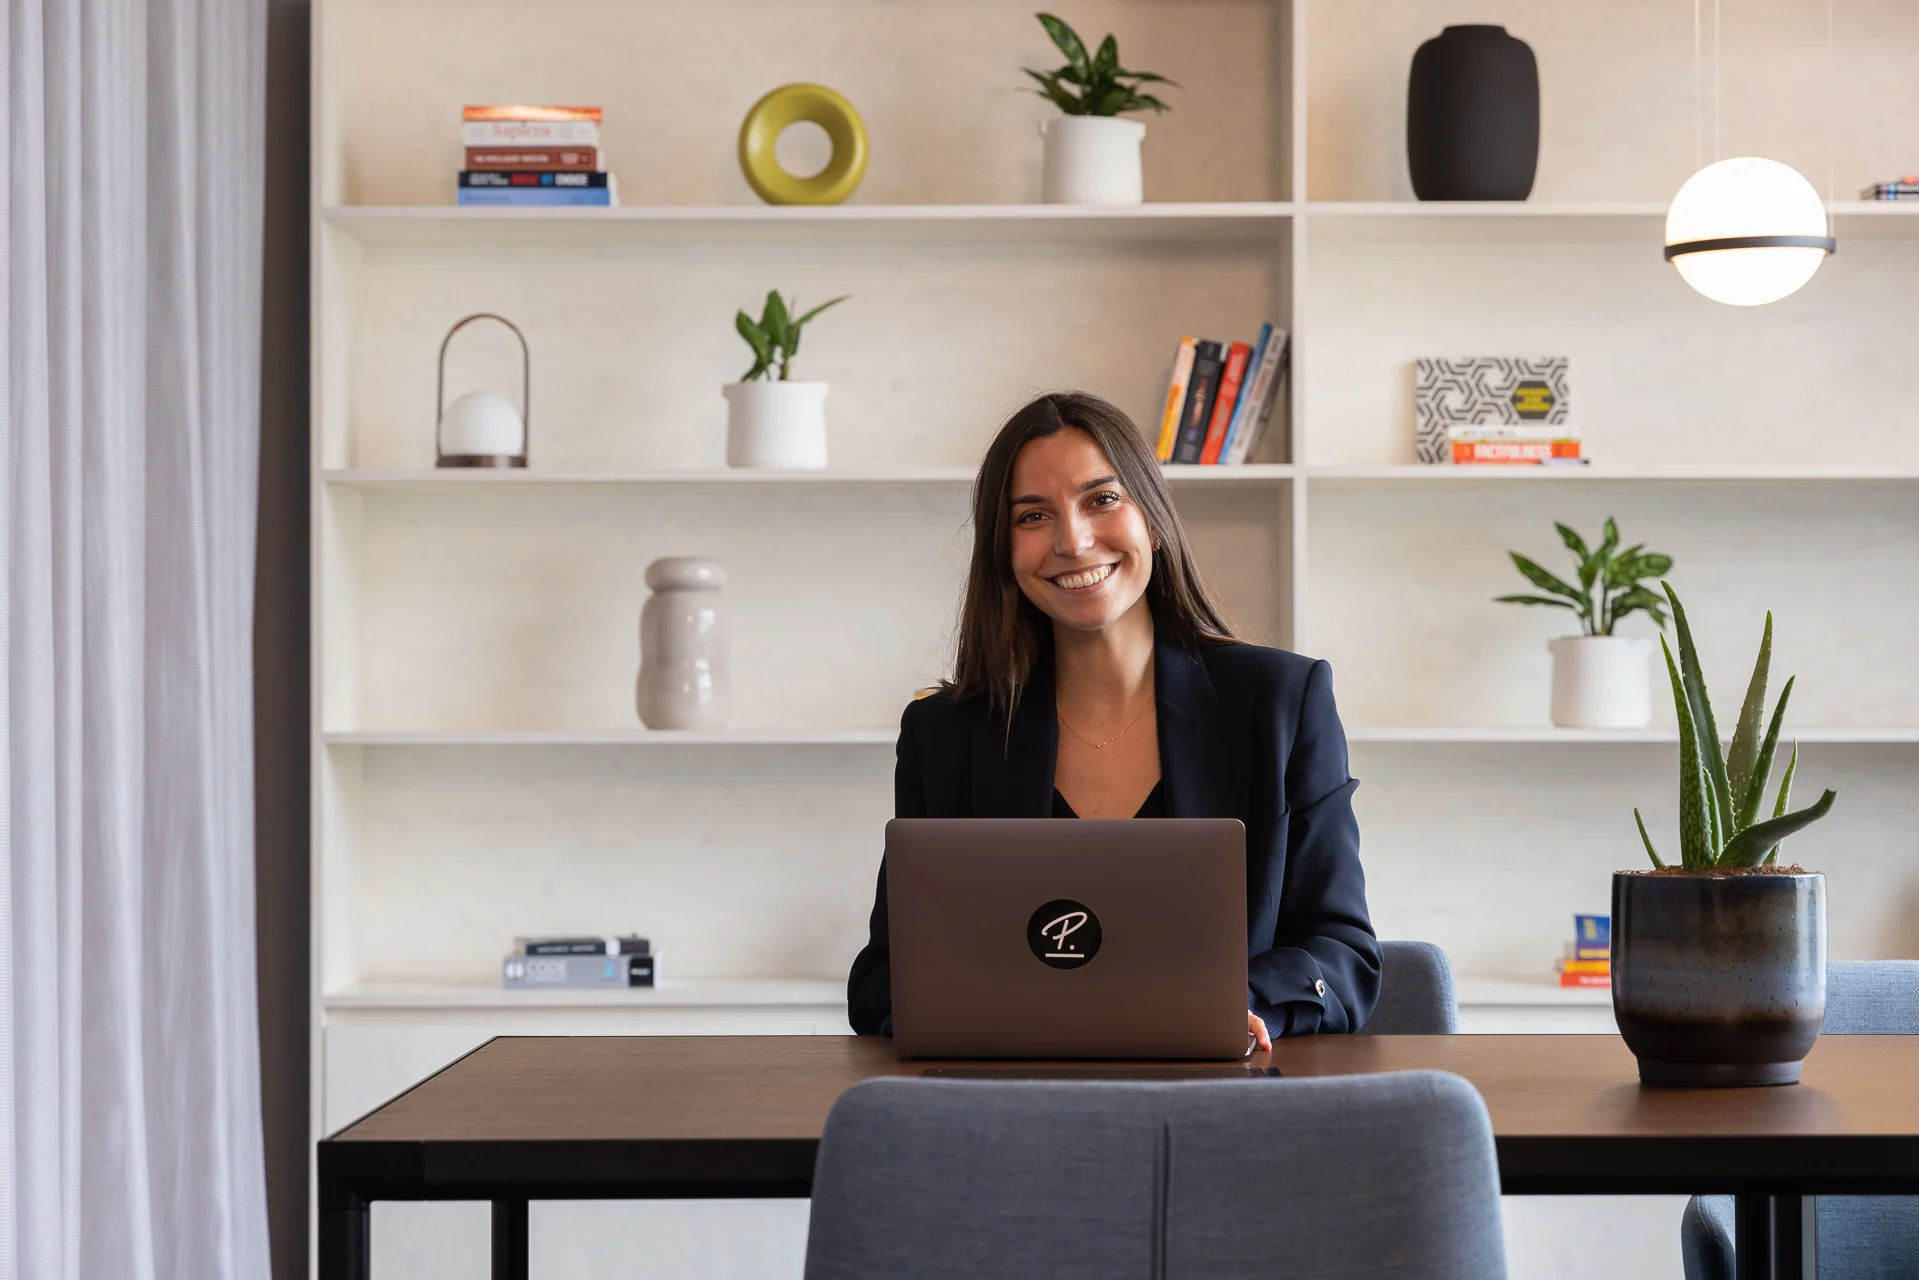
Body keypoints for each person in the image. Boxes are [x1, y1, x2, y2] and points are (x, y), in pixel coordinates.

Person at [847, 391, 1379, 1047]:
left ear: (1152, 520)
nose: (1071, 541)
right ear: (1004, 552)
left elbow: (1342, 952)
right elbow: (881, 979)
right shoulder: (945, 734)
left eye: (1101, 500)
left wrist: (1238, 1003)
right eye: (1033, 515)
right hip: (1008, 1102)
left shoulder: (1281, 701)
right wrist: (984, 1016)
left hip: (1228, 1098)